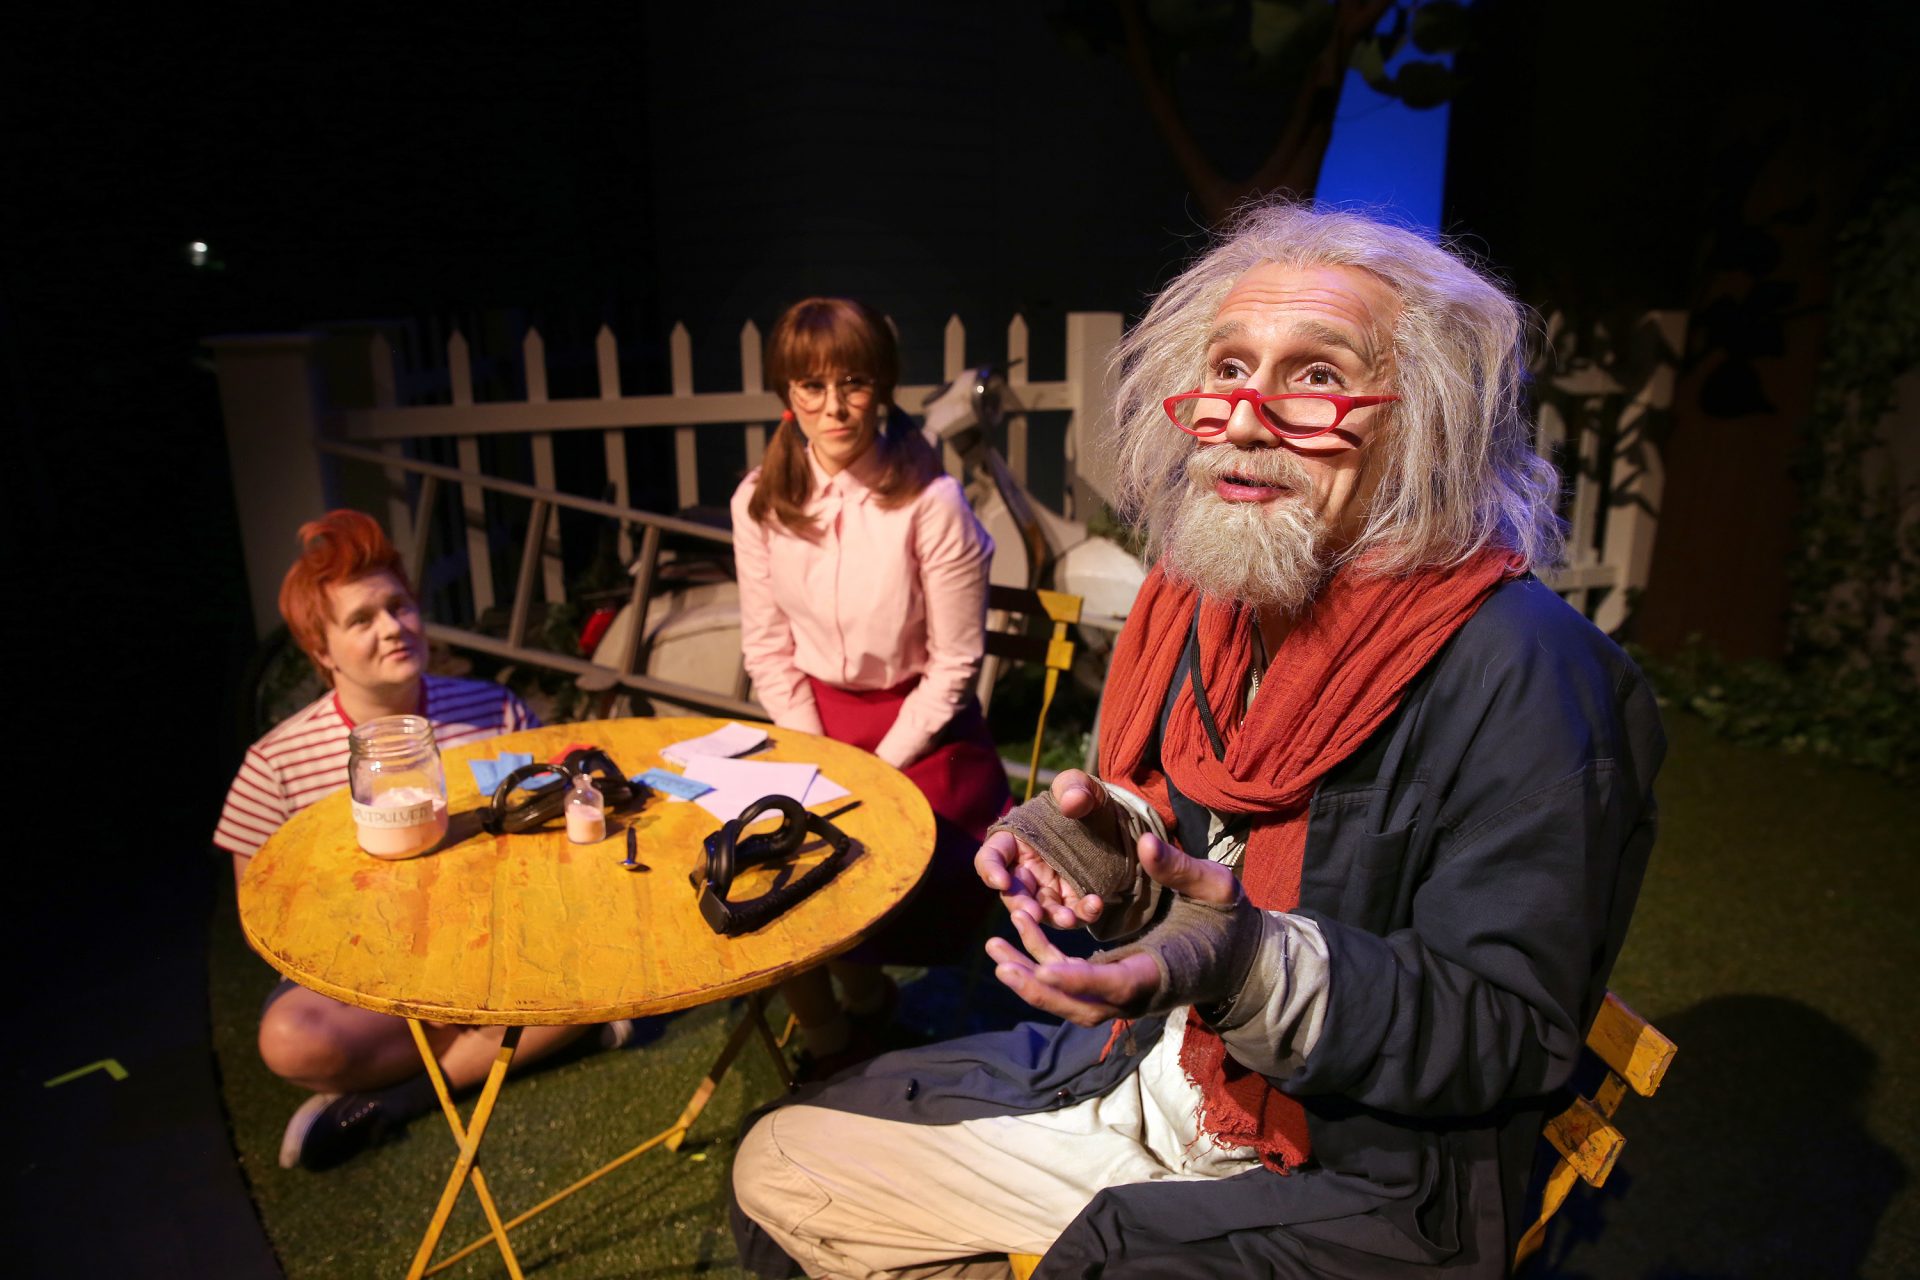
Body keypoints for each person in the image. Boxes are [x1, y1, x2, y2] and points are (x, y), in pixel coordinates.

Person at [728, 204, 1665, 1278]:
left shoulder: (1530, 673)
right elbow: (1200, 847)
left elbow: (1505, 1027)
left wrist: (1251, 963)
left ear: (1430, 423)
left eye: (1317, 375)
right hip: (1150, 1068)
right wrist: (1093, 847)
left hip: (1341, 1166)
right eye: (1227, 367)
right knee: (781, 1158)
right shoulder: (1221, 598)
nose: (1244, 417)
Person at [214, 510, 628, 1171]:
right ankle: (541, 1034)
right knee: (290, 1039)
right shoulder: (276, 764)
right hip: (366, 974)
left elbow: (547, 847)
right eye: (361, 619)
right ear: (322, 650)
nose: (392, 628)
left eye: (399, 606)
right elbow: (261, 920)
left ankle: (404, 1096)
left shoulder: (493, 710)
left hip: (500, 942)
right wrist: (397, 969)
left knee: (608, 944)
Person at [731, 297, 1012, 1073]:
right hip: (813, 728)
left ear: (881, 387)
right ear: (788, 394)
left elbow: (954, 664)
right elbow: (768, 648)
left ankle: (860, 1012)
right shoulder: (760, 501)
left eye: (852, 383)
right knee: (758, 861)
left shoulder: (930, 502)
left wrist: (873, 768)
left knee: (844, 871)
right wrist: (816, 755)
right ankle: (838, 1035)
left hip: (922, 742)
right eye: (811, 386)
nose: (833, 407)